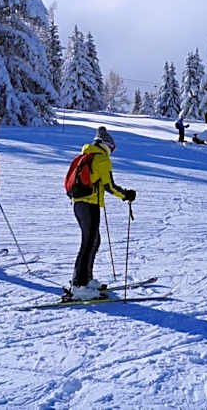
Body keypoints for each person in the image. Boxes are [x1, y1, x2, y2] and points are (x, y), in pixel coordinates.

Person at [68, 126, 136, 300]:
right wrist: (126, 195)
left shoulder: (86, 156)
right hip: (89, 205)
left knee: (93, 241)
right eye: (112, 149)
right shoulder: (101, 159)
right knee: (88, 244)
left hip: (79, 204)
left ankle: (86, 279)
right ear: (108, 146)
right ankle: (79, 285)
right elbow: (109, 186)